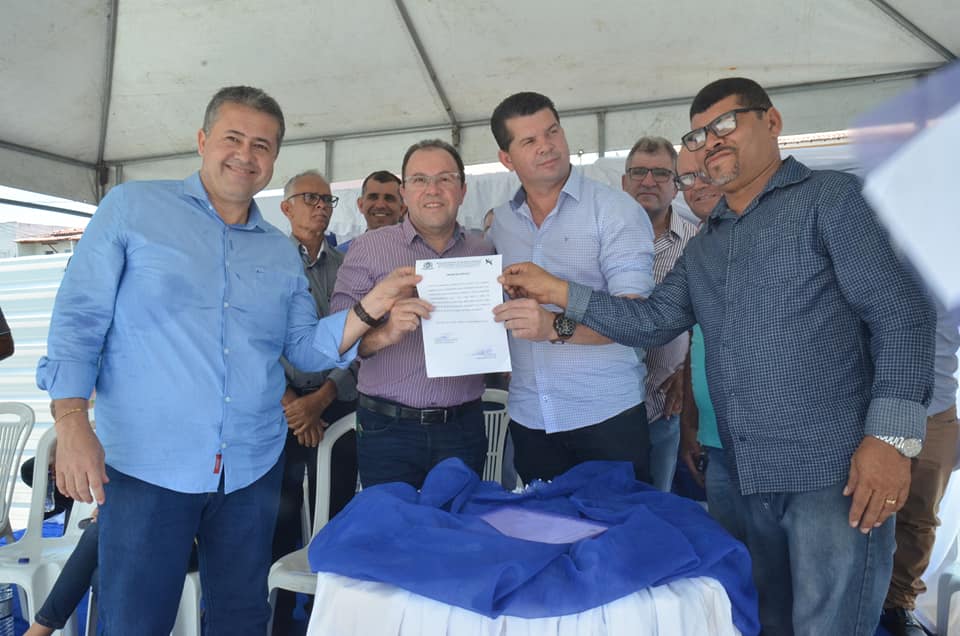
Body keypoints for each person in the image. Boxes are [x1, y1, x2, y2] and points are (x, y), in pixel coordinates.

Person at [497, 77, 935, 635]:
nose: (712, 142)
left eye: (726, 124)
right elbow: (650, 321)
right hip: (738, 471)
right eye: (699, 135)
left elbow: (902, 316)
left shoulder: (830, 200)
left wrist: (891, 440)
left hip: (832, 473)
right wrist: (560, 292)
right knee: (754, 620)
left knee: (830, 626)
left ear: (771, 122)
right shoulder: (709, 242)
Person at [36, 85, 419, 636]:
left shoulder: (276, 251)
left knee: (241, 618)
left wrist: (369, 309)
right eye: (232, 138)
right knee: (134, 622)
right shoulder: (132, 208)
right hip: (148, 466)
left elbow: (302, 345)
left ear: (274, 158)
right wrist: (71, 421)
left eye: (261, 145)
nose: (245, 154)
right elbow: (78, 319)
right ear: (202, 140)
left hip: (250, 467)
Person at [488, 91, 655, 485]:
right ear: (507, 159)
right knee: (544, 523)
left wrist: (553, 327)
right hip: (530, 418)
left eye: (552, 132)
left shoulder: (615, 210)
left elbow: (637, 319)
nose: (546, 146)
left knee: (618, 524)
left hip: (607, 416)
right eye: (529, 141)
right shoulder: (501, 223)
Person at [330, 139, 493, 489]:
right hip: (388, 429)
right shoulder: (368, 249)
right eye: (419, 179)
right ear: (404, 192)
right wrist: (386, 332)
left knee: (457, 521)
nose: (432, 190)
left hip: (463, 427)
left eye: (445, 178)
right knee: (393, 522)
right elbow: (337, 341)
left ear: (463, 190)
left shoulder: (483, 251)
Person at [272, 169, 359, 635]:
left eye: (328, 200)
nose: (322, 206)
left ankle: (329, 617)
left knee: (336, 510)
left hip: (335, 402)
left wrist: (322, 398)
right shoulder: (267, 261)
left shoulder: (347, 265)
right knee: (280, 516)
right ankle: (281, 617)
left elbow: (359, 339)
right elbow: (252, 343)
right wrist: (292, 403)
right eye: (311, 198)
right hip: (280, 408)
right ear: (286, 208)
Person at [673, 147, 743, 539]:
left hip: (772, 447)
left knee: (781, 569)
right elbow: (695, 341)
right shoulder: (699, 247)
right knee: (733, 559)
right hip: (715, 441)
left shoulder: (767, 236)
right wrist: (691, 426)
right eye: (687, 178)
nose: (697, 186)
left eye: (705, 173)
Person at [621, 136, 698, 492]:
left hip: (662, 405)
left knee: (656, 504)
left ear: (677, 185)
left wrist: (687, 373)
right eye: (638, 172)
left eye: (661, 173)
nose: (648, 181)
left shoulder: (697, 244)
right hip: (605, 407)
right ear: (624, 182)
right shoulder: (598, 239)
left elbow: (711, 321)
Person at [881, 303, 959, 636]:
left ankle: (898, 604)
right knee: (856, 510)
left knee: (920, 517)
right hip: (875, 408)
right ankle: (848, 605)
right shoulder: (875, 271)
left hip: (937, 409)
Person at [337, 170, 405, 252]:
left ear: (402, 208)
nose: (380, 205)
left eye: (389, 198)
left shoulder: (416, 252)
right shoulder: (342, 255)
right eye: (373, 197)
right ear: (361, 205)